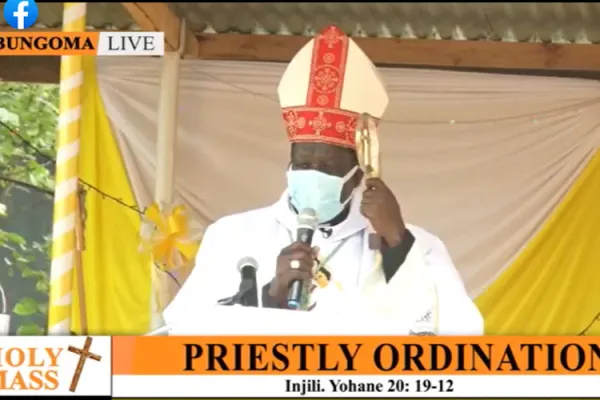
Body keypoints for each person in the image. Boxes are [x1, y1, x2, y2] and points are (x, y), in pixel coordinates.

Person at [164, 25, 483, 335]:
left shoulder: (417, 246)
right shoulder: (233, 235)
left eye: (328, 166)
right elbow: (184, 330)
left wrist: (397, 244)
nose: (313, 174)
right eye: (303, 163)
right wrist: (268, 297)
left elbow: (462, 337)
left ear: (357, 174)